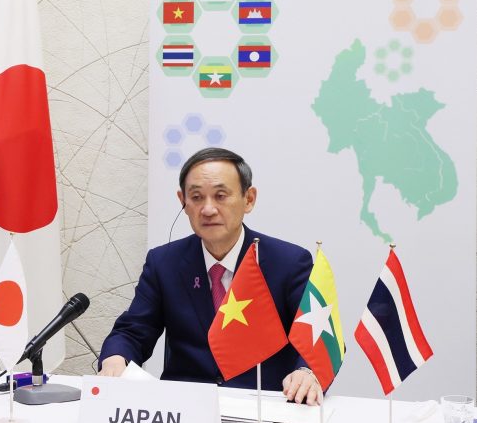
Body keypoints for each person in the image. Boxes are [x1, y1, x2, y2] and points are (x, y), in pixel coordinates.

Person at [98, 147, 322, 405]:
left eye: (220, 196)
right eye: (196, 197)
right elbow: (133, 331)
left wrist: (307, 372)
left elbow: (319, 337)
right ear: (183, 201)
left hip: (264, 407)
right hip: (184, 408)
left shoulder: (289, 262)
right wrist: (116, 358)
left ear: (248, 199)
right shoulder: (164, 262)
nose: (207, 209)